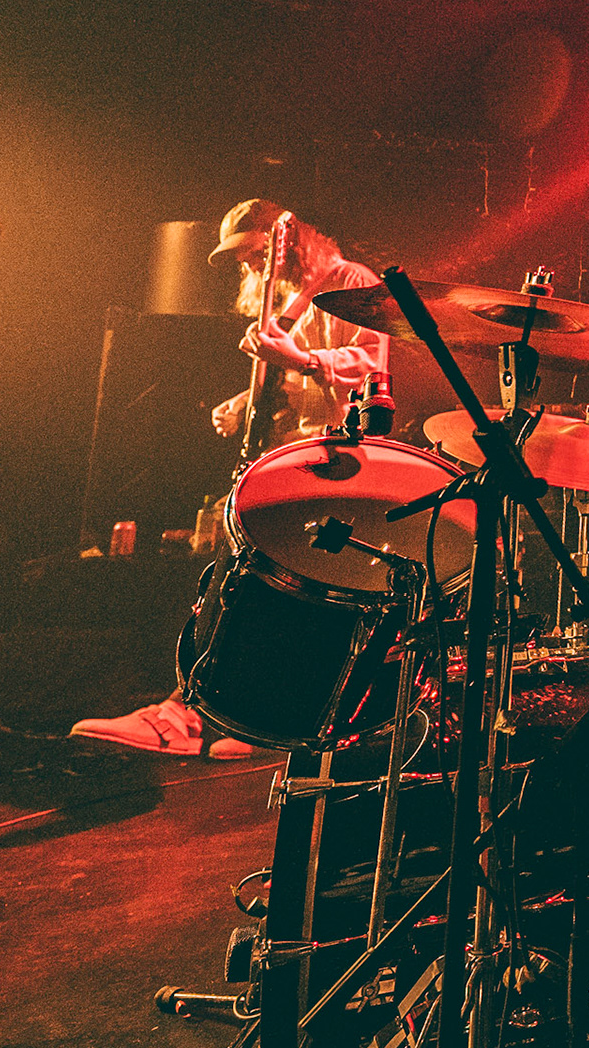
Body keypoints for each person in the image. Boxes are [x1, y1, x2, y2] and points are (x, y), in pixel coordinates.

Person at [71, 199, 391, 758]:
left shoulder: (349, 281)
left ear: (288, 240)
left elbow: (372, 363)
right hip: (291, 457)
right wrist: (248, 400)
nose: (248, 265)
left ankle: (204, 716)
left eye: (253, 252)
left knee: (266, 586)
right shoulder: (287, 302)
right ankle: (220, 717)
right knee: (244, 581)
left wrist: (300, 359)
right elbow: (295, 382)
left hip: (338, 460)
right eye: (240, 258)